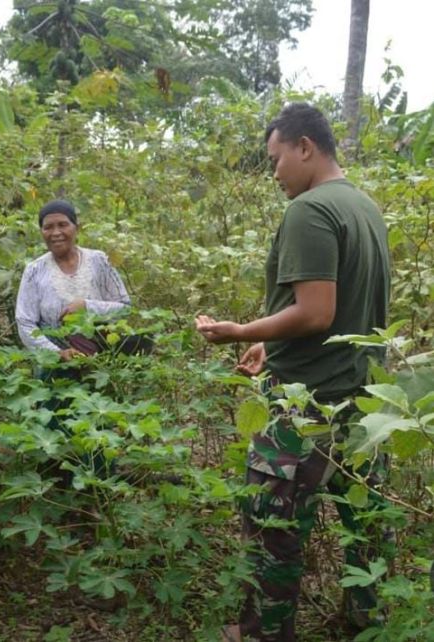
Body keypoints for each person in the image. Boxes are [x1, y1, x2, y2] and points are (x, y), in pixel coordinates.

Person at [195, 103, 393, 641]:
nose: (274, 172)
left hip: (306, 407)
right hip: (364, 405)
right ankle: (366, 624)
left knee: (270, 531)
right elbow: (346, 310)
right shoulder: (364, 207)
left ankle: (262, 633)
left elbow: (317, 312)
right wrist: (267, 343)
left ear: (305, 147)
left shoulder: (309, 210)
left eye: (276, 158)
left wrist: (243, 331)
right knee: (367, 531)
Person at [15, 199, 130, 359]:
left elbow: (125, 309)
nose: (56, 233)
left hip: (105, 354)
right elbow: (25, 323)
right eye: (48, 227)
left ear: (76, 228)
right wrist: (57, 353)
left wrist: (87, 306)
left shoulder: (100, 261)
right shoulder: (34, 271)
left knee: (142, 341)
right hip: (55, 361)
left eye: (63, 225)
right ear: (41, 232)